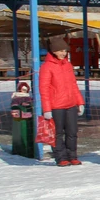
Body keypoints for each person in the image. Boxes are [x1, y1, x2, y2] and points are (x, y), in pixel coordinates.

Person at [39, 35, 85, 167]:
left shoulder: (68, 65)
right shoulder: (47, 67)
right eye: (60, 51)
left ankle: (73, 156)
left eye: (65, 51)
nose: (63, 53)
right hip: (56, 106)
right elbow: (44, 89)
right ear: (53, 51)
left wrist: (79, 102)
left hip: (70, 104)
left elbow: (73, 85)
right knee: (57, 133)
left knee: (72, 132)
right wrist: (47, 109)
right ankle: (60, 157)